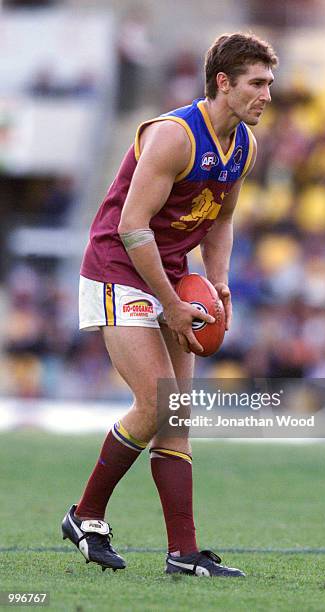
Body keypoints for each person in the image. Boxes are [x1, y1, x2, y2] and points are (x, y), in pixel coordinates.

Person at [61, 32, 277, 577]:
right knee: (155, 402)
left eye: (270, 83)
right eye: (257, 83)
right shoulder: (173, 136)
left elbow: (221, 218)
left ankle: (183, 552)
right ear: (223, 83)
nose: (267, 95)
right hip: (119, 267)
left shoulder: (244, 146)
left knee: (176, 414)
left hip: (172, 275)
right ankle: (85, 516)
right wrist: (172, 305)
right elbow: (132, 227)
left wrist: (219, 282)